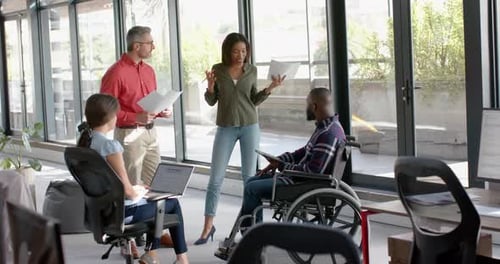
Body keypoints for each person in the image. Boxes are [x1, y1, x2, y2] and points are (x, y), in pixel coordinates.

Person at [195, 32, 286, 245]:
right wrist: (209, 87)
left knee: (249, 179)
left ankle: (251, 227)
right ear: (227, 51)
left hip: (249, 126)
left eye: (244, 51)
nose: (240, 55)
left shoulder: (252, 70)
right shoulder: (218, 70)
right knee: (215, 179)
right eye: (236, 51)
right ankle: (208, 227)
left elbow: (253, 99)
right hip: (225, 127)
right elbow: (211, 101)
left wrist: (270, 88)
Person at [77, 94, 189, 264]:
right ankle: (180, 258)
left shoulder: (85, 141)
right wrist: (140, 191)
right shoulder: (110, 146)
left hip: (100, 213)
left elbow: (110, 182)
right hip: (122, 214)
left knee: (155, 201)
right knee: (169, 202)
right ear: (110, 118)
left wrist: (136, 188)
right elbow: (129, 193)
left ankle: (153, 255)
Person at [239, 87, 346, 228]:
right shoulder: (329, 128)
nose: (306, 108)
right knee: (251, 181)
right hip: (302, 180)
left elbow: (313, 171)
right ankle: (251, 231)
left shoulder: (328, 134)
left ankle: (250, 234)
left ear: (314, 106)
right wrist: (279, 160)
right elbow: (303, 152)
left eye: (307, 104)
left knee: (251, 188)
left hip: (301, 185)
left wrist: (282, 167)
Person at [100, 25, 170, 187]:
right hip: (129, 134)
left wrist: (161, 111)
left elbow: (149, 104)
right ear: (137, 46)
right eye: (150, 43)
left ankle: (153, 213)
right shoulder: (115, 73)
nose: (153, 47)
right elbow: (105, 110)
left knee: (157, 184)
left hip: (151, 133)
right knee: (132, 186)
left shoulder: (149, 71)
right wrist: (134, 117)